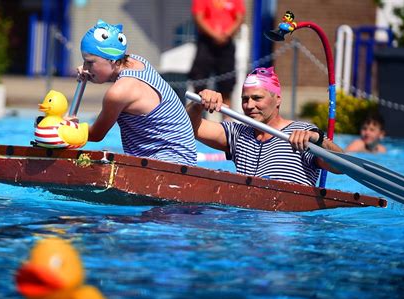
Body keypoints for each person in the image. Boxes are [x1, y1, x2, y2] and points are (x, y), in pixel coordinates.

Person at [186, 67, 343, 186]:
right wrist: (198, 104)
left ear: (278, 99)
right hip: (245, 219)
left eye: (257, 98)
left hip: (287, 223)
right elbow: (188, 126)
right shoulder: (238, 134)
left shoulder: (302, 133)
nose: (249, 105)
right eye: (245, 99)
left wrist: (319, 139)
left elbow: (340, 167)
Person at [76, 20, 197, 166]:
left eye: (90, 62)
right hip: (185, 155)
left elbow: (96, 134)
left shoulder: (118, 93)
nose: (85, 67)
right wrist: (91, 73)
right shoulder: (137, 62)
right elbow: (111, 74)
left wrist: (65, 129)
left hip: (168, 162)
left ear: (113, 61)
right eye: (84, 61)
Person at [188, 0, 245, 118]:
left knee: (227, 86)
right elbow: (198, 17)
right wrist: (215, 35)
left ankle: (227, 123)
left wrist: (226, 34)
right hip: (206, 43)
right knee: (199, 83)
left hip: (227, 44)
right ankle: (195, 120)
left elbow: (239, 17)